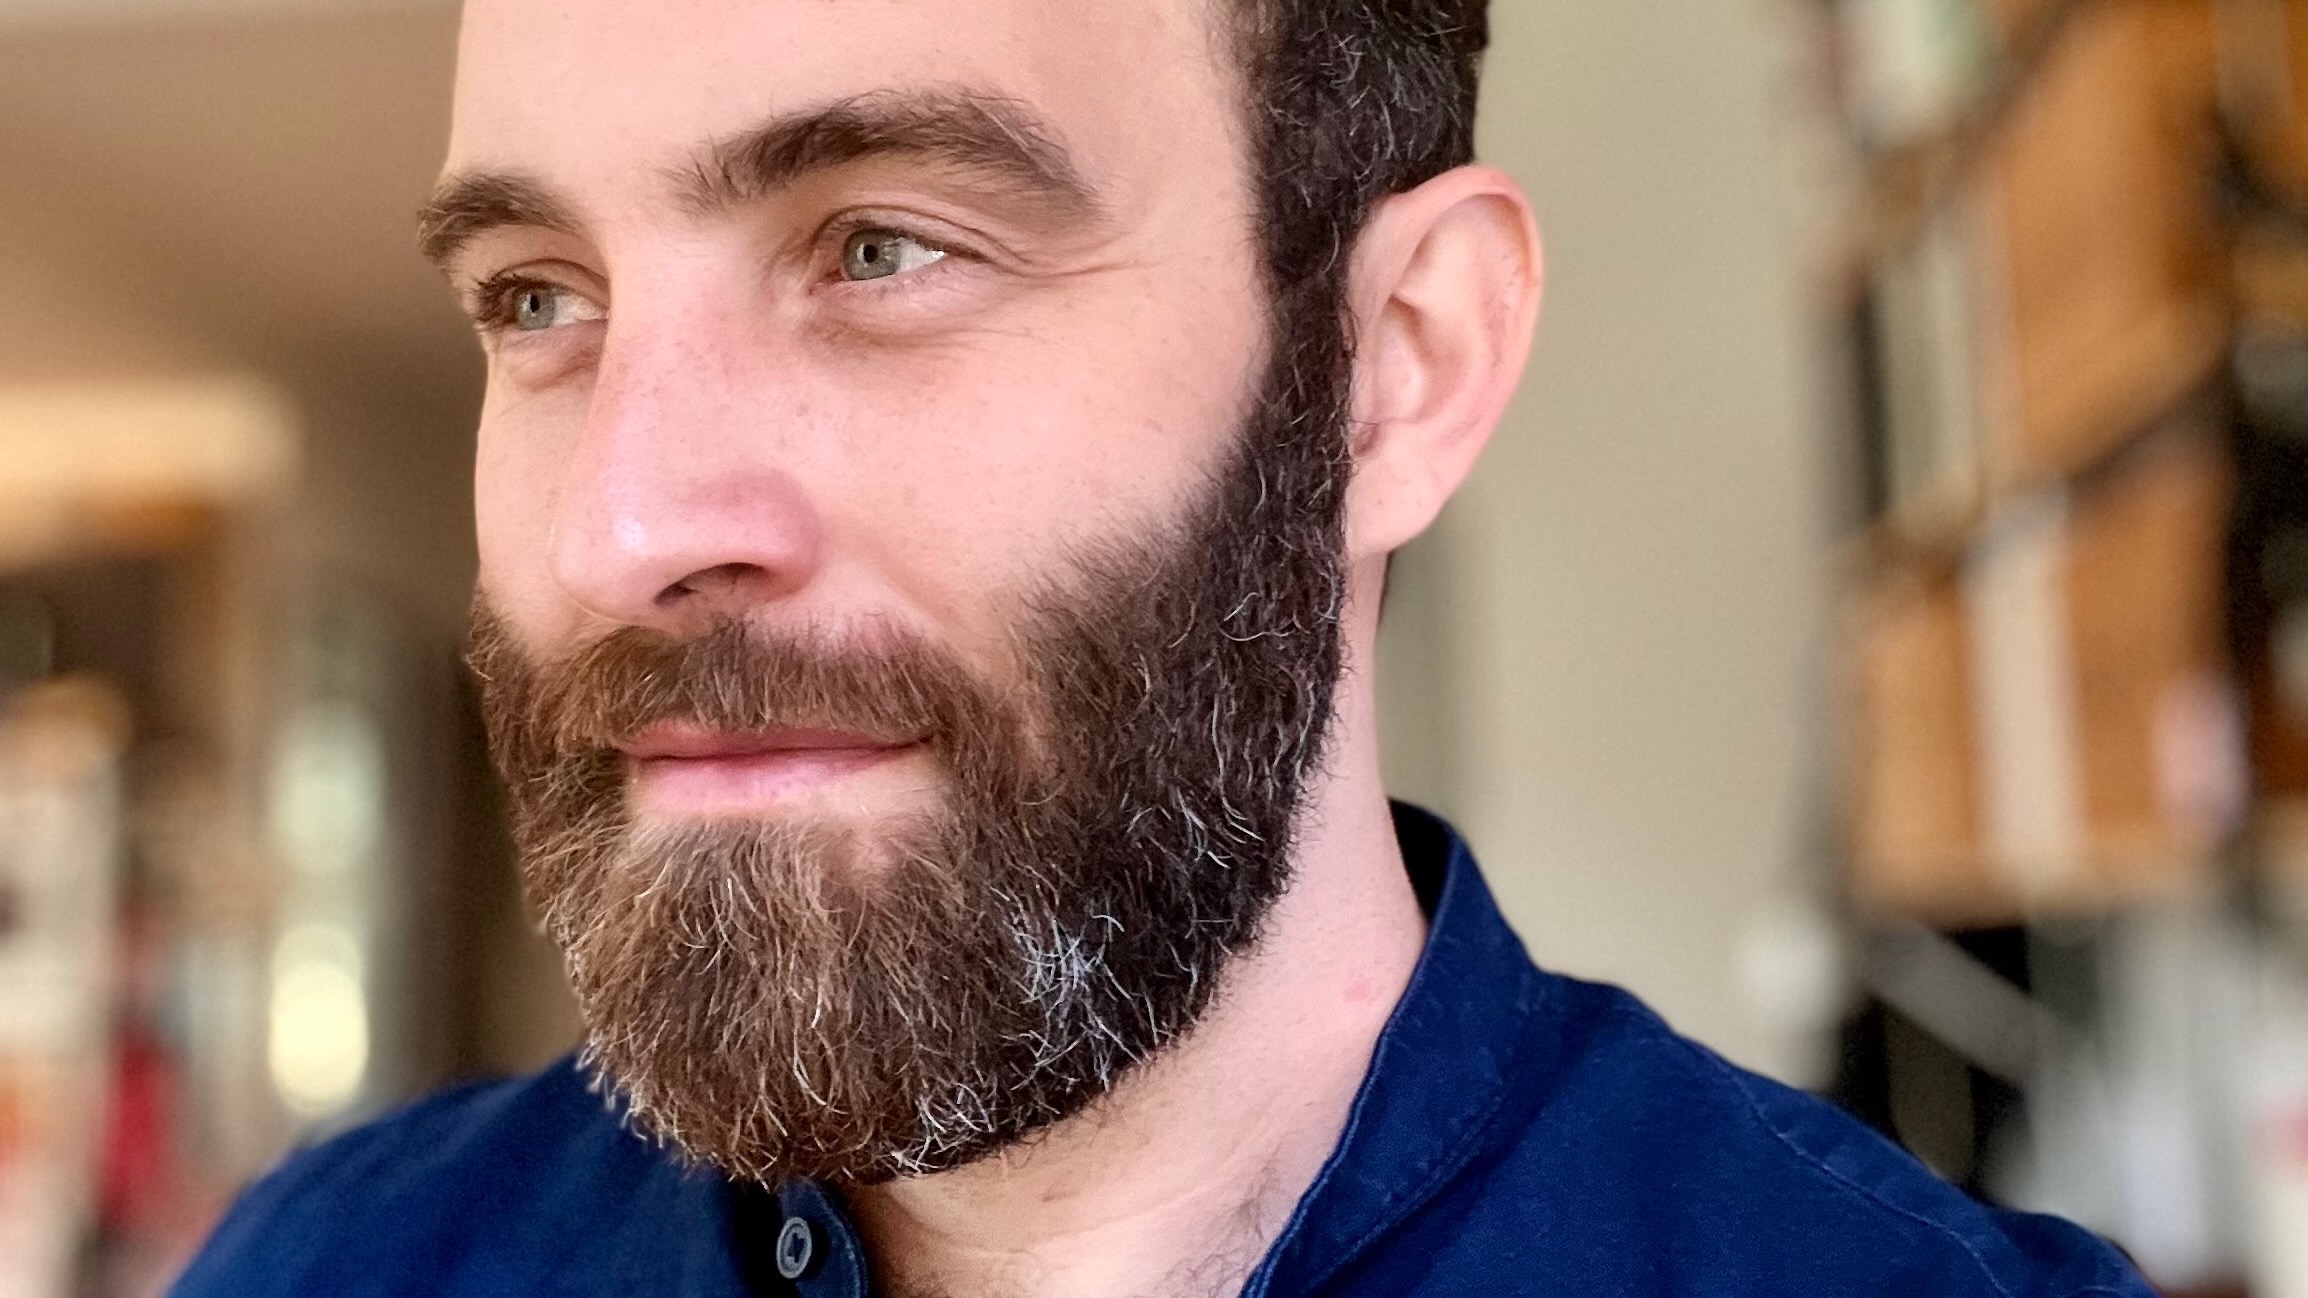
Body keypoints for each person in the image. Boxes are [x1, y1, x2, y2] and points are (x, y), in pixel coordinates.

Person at [171, 0, 2153, 1294]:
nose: (622, 528)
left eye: (882, 246)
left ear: (1397, 367)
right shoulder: (330, 1265)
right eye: (534, 298)